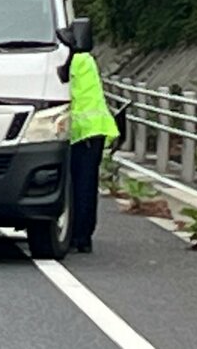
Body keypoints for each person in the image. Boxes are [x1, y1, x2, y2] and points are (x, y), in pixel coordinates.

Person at [69, 51, 120, 253]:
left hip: (79, 129)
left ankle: (76, 234)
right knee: (87, 185)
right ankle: (83, 237)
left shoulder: (63, 59)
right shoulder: (85, 59)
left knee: (76, 185)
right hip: (94, 129)